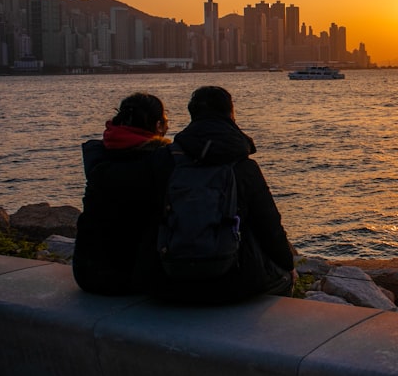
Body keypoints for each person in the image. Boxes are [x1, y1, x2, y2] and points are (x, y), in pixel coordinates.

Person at [153, 85, 296, 303]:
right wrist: (288, 266)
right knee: (285, 277)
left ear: (192, 115)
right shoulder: (244, 166)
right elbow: (269, 226)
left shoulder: (165, 160)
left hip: (169, 279)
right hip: (233, 282)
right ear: (231, 114)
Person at [74, 92, 174, 295]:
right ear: (158, 126)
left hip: (87, 273)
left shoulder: (99, 157)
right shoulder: (161, 161)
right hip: (134, 275)